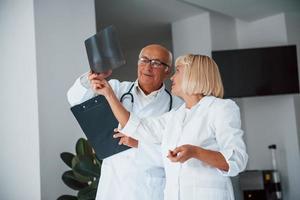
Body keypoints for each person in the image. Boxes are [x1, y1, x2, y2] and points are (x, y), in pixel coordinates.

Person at [92, 54, 248, 200]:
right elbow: (137, 126)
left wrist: (195, 152)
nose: (172, 77)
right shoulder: (175, 116)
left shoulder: (220, 108)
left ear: (194, 75)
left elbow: (236, 160)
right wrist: (109, 94)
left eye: (178, 71)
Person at [67, 44, 182, 200]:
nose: (148, 67)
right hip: (113, 184)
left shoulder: (176, 106)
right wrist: (92, 76)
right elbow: (75, 99)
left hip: (149, 188)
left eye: (156, 63)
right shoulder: (115, 88)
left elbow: (173, 154)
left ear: (167, 71)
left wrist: (139, 144)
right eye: (144, 60)